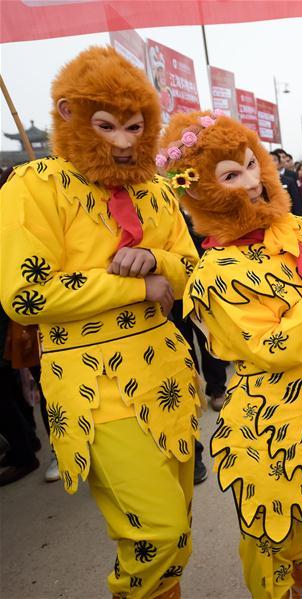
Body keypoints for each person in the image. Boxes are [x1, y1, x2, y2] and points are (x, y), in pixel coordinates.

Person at [0, 47, 200, 598]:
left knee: (177, 535)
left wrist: (157, 262)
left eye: (134, 126)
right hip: (93, 387)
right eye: (106, 125)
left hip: (168, 377)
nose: (122, 142)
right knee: (155, 533)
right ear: (67, 115)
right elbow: (26, 293)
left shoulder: (156, 189)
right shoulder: (32, 186)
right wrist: (134, 287)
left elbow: (190, 269)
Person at [162, 110, 302, 598]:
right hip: (267, 429)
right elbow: (278, 344)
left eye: (251, 165)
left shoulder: (290, 229)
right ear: (200, 191)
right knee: (273, 544)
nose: (251, 183)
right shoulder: (215, 275)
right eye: (230, 176)